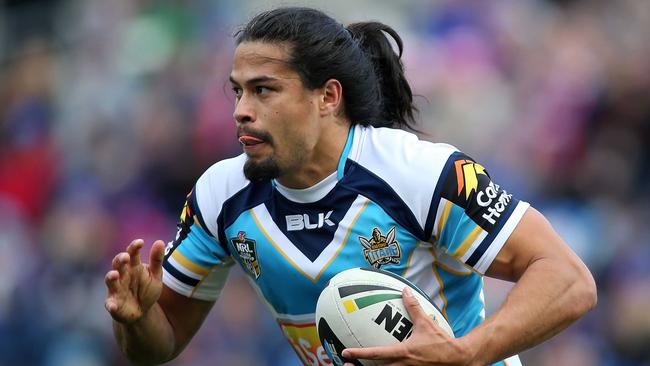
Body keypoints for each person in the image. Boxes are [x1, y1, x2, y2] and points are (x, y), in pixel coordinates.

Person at [104, 7, 596, 366]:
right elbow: (160, 344)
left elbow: (569, 279)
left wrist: (464, 354)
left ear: (328, 97)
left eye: (264, 89)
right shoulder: (220, 196)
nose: (240, 110)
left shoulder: (418, 173)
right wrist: (138, 319)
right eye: (237, 90)